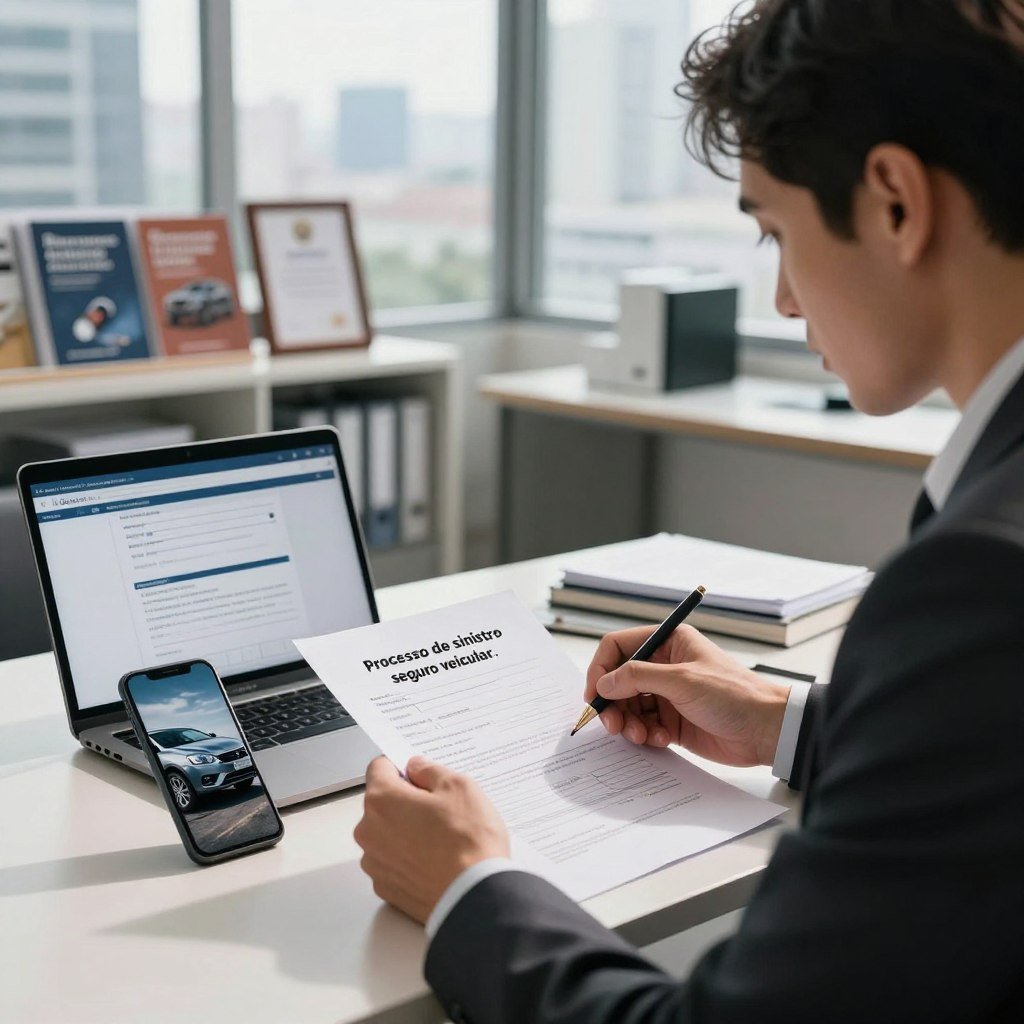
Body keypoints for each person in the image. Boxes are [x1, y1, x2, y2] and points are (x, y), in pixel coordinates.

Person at [353, 1, 1024, 1020]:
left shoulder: (979, 581)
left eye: (774, 231)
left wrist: (466, 890)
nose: (787, 302)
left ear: (893, 200)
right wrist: (782, 720)